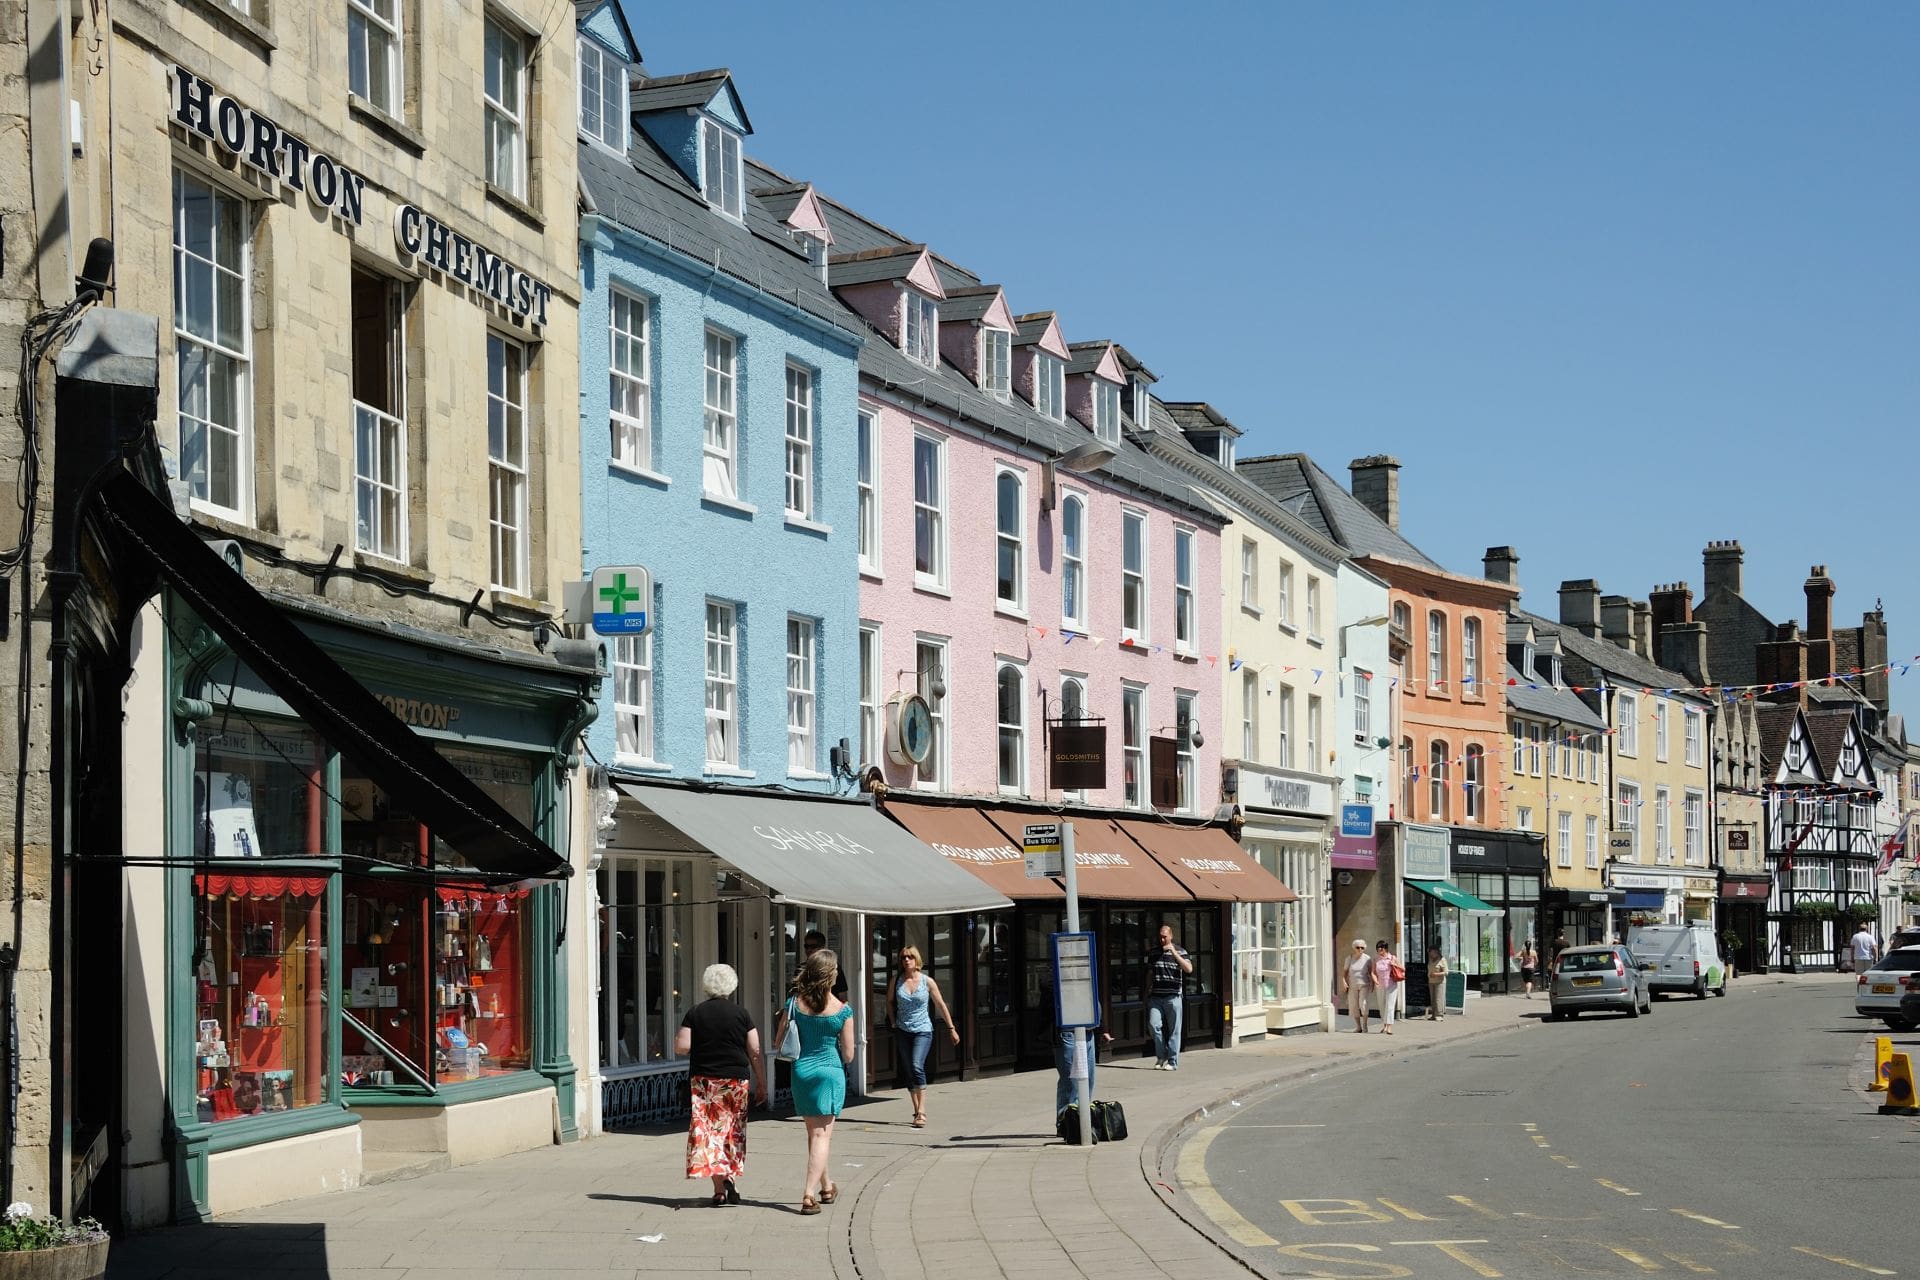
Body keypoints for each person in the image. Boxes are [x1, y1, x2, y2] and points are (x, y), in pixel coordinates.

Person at [675, 963, 766, 1207]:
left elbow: (681, 1047)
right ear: (732, 985)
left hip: (705, 1081)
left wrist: (704, 1043)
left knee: (709, 1132)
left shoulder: (695, 1013)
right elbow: (755, 1050)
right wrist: (762, 1082)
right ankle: (730, 1177)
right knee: (732, 1130)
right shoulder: (742, 1014)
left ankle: (719, 1189)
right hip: (735, 1079)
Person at [786, 949, 855, 1215]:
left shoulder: (795, 1003)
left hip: (802, 1071)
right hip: (829, 1072)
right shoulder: (842, 1010)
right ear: (831, 975)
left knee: (814, 1134)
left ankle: (827, 1186)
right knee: (822, 1136)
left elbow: (780, 1037)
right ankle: (808, 1194)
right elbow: (848, 1055)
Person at [891, 945, 958, 1129]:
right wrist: (893, 1021)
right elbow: (890, 1002)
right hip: (903, 1030)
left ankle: (921, 1110)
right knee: (908, 1070)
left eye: (910, 957)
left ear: (916, 959)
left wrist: (951, 1028)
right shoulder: (896, 980)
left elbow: (941, 1004)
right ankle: (916, 1110)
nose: (906, 960)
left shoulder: (927, 981)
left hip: (923, 1030)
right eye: (903, 957)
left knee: (916, 1065)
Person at [1053, 998, 1114, 1118]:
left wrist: (1102, 1028)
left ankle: (1080, 1119)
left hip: (1089, 1032)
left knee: (1089, 1079)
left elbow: (1093, 998)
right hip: (1068, 1033)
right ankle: (1066, 1122)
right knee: (1070, 1082)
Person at [1146, 923, 1193, 1070]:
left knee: (1174, 1030)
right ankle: (1162, 1055)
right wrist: (1146, 990)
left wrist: (1174, 952)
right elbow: (1149, 973)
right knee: (1153, 1026)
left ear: (1171, 936)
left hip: (1173, 996)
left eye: (1164, 937)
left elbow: (1188, 969)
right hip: (1156, 996)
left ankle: (1172, 1062)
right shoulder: (1153, 953)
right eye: (1160, 937)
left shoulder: (1181, 951)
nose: (1162, 940)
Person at [803, 929, 850, 1000]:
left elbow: (842, 995)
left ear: (822, 947)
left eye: (813, 946)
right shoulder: (801, 968)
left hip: (831, 1009)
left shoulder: (833, 967)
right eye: (806, 946)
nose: (809, 950)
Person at [1340, 938, 1374, 1033]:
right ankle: (1358, 1026)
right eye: (1358, 947)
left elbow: (1371, 972)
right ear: (1354, 948)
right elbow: (1344, 973)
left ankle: (1365, 1025)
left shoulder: (1367, 958)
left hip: (1364, 984)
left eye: (1362, 948)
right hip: (1352, 985)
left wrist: (1373, 983)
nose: (1360, 949)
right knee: (1354, 1005)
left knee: (1363, 1004)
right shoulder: (1349, 958)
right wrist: (1344, 982)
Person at [1374, 940, 1403, 1035]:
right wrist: (1376, 981)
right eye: (1378, 948)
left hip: (1391, 985)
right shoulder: (1376, 959)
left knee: (1390, 1006)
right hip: (1380, 985)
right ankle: (1384, 1025)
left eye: (1381, 948)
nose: (1379, 950)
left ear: (1385, 948)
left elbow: (1403, 969)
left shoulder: (1393, 958)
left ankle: (1389, 1027)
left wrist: (1394, 964)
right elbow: (1372, 972)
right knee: (1382, 1006)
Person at [1425, 946, 1448, 1021]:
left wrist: (1436, 974)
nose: (1430, 954)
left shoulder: (1442, 960)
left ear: (1436, 952)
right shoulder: (1430, 959)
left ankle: (1439, 1015)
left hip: (1440, 982)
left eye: (1431, 952)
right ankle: (1433, 1014)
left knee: (1438, 999)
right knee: (1433, 999)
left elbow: (1446, 972)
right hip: (1431, 981)